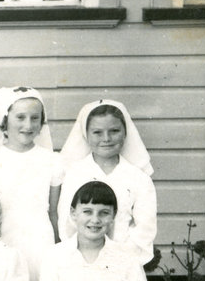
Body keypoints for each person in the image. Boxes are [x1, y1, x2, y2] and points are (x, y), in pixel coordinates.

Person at [0, 87, 62, 281]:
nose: (28, 125)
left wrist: (59, 246)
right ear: (4, 121)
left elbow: (53, 211)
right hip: (3, 237)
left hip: (40, 238)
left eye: (35, 118)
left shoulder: (52, 160)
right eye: (20, 117)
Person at [57, 100, 156, 265]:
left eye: (114, 131)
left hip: (125, 261)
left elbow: (145, 228)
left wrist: (120, 259)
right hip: (81, 260)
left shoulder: (139, 178)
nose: (106, 139)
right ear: (85, 134)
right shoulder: (75, 175)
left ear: (125, 133)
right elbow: (67, 223)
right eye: (97, 132)